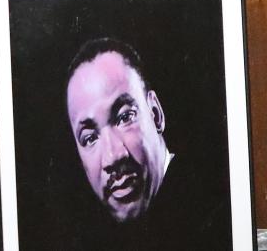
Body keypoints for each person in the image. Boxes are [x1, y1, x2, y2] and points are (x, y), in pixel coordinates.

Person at [62, 37, 231, 250]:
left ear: (155, 114)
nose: (113, 156)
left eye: (124, 117)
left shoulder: (218, 210)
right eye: (89, 138)